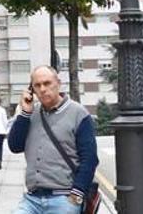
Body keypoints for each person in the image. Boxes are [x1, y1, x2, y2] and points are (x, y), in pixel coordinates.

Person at [7, 66, 98, 214]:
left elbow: (90, 159)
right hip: (33, 199)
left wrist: (77, 193)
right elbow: (15, 146)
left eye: (47, 83)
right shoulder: (31, 114)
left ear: (58, 83)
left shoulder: (78, 113)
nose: (42, 89)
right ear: (32, 89)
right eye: (37, 85)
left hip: (64, 197)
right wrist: (24, 113)